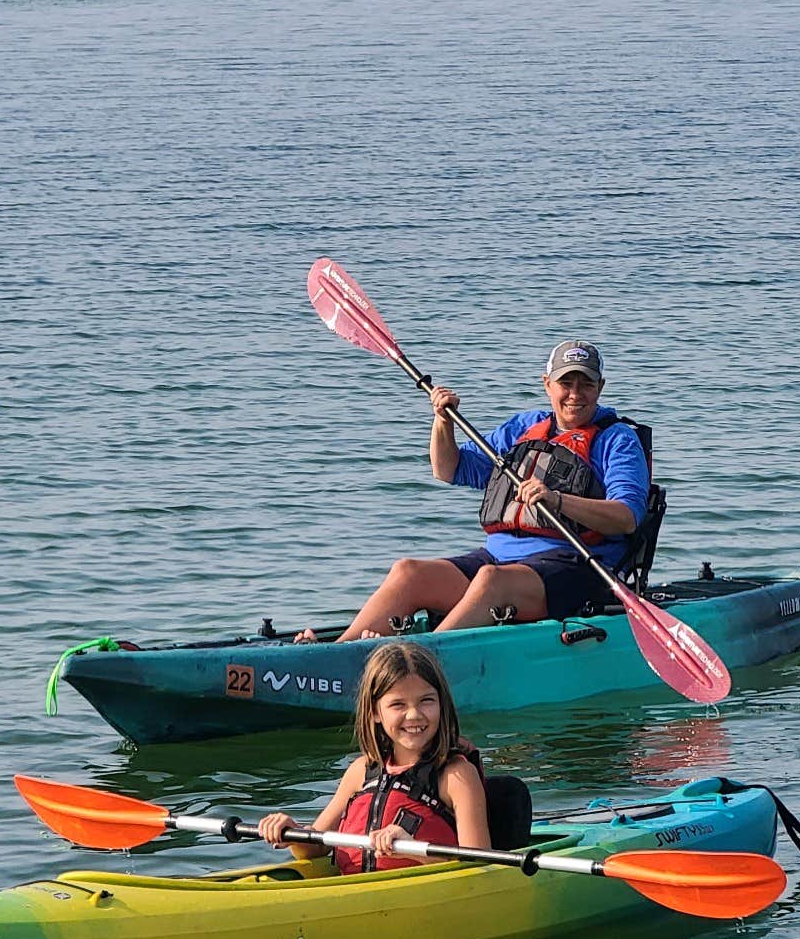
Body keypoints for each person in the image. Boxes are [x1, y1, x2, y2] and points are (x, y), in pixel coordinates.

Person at [308, 338, 650, 642]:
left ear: (600, 387)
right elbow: (449, 469)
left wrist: (556, 499)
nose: (575, 394)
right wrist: (443, 422)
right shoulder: (525, 427)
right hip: (500, 559)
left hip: (576, 569)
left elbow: (626, 518)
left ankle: (415, 665)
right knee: (408, 572)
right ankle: (339, 653)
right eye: (566, 382)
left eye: (585, 384)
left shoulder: (617, 440)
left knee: (491, 581)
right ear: (547, 385)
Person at [258, 641, 488, 873]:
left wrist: (415, 849)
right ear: (375, 712)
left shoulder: (456, 775)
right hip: (354, 889)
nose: (414, 715)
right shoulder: (360, 771)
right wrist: (291, 833)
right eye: (397, 704)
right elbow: (316, 848)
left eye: (426, 700)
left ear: (441, 704)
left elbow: (479, 865)